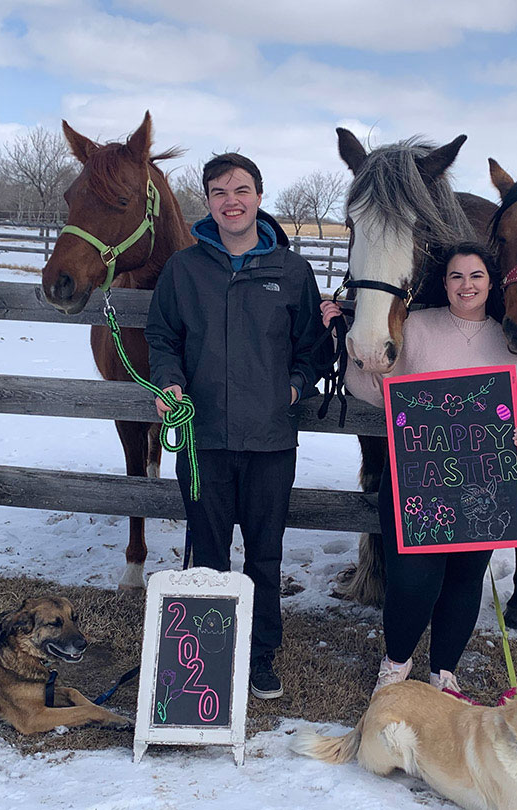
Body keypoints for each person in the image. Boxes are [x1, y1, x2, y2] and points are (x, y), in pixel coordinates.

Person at [322, 242, 517, 696]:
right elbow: (372, 385)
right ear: (443, 283)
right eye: (456, 277)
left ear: (492, 283)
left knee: (466, 578)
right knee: (413, 577)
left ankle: (444, 670)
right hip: (418, 479)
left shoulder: (508, 341)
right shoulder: (417, 328)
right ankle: (396, 662)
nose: (466, 286)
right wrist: (349, 340)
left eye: (475, 277)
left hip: (483, 483)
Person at [145, 152, 325, 700]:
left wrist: (293, 386)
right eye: (220, 192)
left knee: (265, 554)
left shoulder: (291, 272)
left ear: (259, 197)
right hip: (204, 442)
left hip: (271, 441)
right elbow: (161, 337)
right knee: (210, 552)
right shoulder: (184, 268)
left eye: (241, 190)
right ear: (209, 201)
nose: (232, 201)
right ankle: (210, 658)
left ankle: (260, 655)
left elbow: (312, 348)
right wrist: (169, 382)